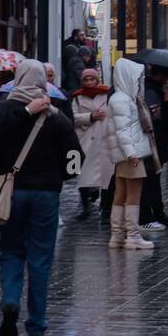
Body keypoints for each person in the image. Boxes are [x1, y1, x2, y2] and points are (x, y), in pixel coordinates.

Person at [0, 59, 83, 336]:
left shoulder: (2, 110)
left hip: (9, 194)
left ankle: (11, 300)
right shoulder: (57, 116)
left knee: (11, 251)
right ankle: (36, 325)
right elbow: (75, 160)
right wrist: (59, 176)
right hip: (46, 195)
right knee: (40, 259)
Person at [105, 58, 157, 250]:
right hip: (131, 154)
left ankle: (117, 236)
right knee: (133, 195)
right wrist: (131, 152)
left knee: (121, 194)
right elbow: (122, 130)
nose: (138, 82)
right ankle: (132, 236)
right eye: (136, 78)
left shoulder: (120, 98)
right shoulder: (122, 100)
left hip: (124, 154)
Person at [71, 68, 114, 221]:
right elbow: (73, 118)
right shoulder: (77, 97)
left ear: (97, 79)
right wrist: (90, 116)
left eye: (91, 79)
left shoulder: (107, 94)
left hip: (104, 139)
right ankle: (85, 206)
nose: (89, 82)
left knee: (106, 174)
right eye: (86, 79)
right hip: (85, 140)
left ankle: (106, 207)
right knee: (83, 175)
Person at [140, 65, 168, 230]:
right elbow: (155, 119)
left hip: (157, 142)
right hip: (151, 143)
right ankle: (147, 215)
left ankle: (158, 212)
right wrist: (167, 103)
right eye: (167, 75)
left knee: (153, 180)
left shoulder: (155, 89)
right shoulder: (151, 91)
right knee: (149, 180)